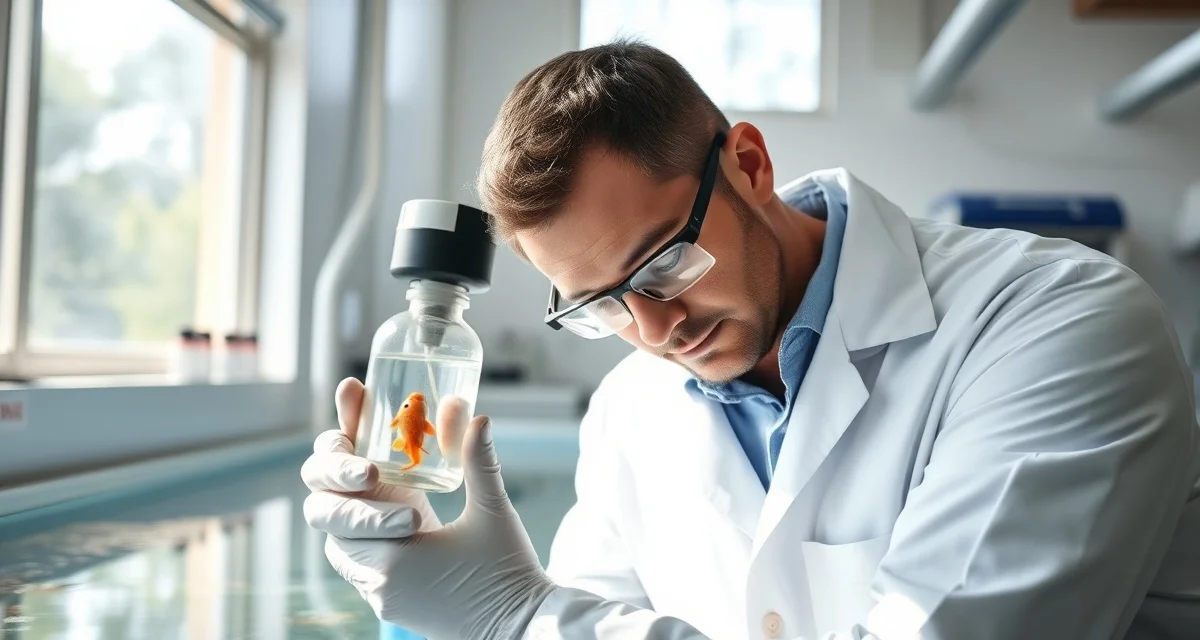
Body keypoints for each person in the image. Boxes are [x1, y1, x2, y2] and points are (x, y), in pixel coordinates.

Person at [301, 40, 1200, 639]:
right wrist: (430, 568)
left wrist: (518, 616)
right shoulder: (628, 409)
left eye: (662, 265)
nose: (655, 330)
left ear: (750, 165)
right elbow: (589, 611)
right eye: (600, 306)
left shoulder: (1057, 325)